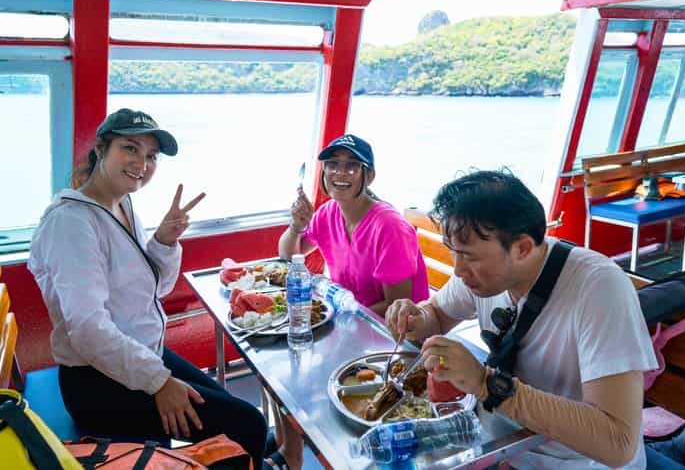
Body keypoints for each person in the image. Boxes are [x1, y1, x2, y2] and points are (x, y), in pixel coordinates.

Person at [28, 108, 299, 470]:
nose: (142, 163)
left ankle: (248, 454)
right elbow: (88, 330)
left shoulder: (120, 203)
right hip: (96, 381)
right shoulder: (72, 223)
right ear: (100, 148)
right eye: (130, 148)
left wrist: (163, 240)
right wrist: (159, 382)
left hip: (139, 354)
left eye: (151, 156)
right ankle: (246, 453)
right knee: (245, 423)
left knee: (233, 409)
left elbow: (153, 288)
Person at [385, 170, 658, 469]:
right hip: (502, 444)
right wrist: (415, 318)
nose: (459, 270)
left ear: (523, 248)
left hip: (573, 461)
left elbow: (617, 442)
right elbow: (436, 314)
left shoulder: (598, 288)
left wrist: (485, 383)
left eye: (469, 257)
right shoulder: (484, 274)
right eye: (453, 253)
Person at [279, 134, 429, 316]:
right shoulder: (328, 213)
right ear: (323, 172)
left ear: (370, 176)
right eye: (332, 164)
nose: (340, 172)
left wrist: (337, 317)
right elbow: (288, 257)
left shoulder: (390, 228)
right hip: (350, 315)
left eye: (352, 166)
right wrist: (296, 226)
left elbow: (396, 307)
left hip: (394, 331)